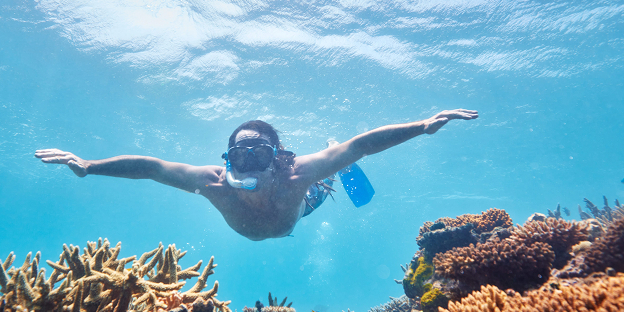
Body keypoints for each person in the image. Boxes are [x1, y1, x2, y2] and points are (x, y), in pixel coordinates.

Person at [35, 109, 478, 241]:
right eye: (239, 156)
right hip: (283, 212)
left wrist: (421, 127)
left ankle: (331, 158)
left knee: (334, 166)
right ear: (227, 159)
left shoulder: (294, 173)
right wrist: (89, 166)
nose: (248, 164)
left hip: (303, 205)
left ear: (276, 155)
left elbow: (361, 143)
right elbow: (151, 168)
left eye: (258, 153)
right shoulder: (210, 181)